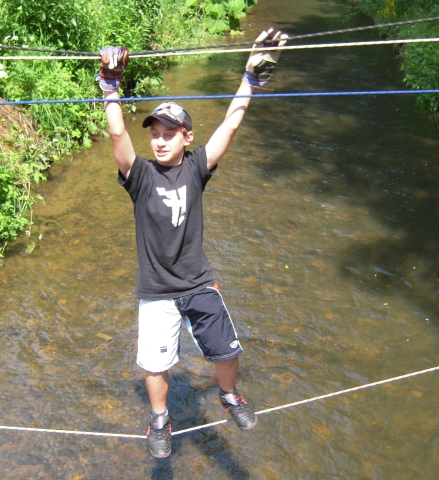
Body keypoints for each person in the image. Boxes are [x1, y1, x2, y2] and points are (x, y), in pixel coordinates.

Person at [97, 28, 288, 459]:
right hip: (157, 289)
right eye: (155, 133)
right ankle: (159, 419)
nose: (160, 140)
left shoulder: (197, 167)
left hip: (199, 282)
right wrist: (110, 87)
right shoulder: (140, 175)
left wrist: (249, 79)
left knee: (227, 348)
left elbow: (230, 125)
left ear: (186, 137)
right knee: (155, 365)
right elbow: (118, 137)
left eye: (170, 133)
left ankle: (229, 396)